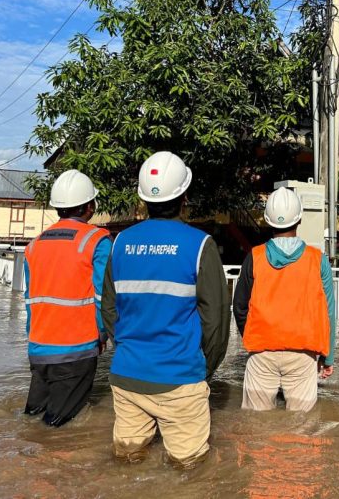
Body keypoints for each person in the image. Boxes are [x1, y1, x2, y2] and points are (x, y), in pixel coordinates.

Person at [101, 151, 230, 468]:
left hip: (126, 377)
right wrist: (202, 369)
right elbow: (216, 323)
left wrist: (131, 348)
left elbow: (108, 309)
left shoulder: (120, 242)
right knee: (190, 472)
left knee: (128, 464)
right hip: (180, 379)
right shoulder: (200, 245)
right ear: (184, 196)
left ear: (143, 200)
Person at [233, 186, 336, 412]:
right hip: (303, 355)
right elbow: (329, 311)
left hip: (261, 354)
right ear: (299, 220)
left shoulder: (254, 256)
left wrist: (253, 336)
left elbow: (239, 306)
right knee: (302, 430)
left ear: (268, 221)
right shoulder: (318, 260)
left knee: (256, 429)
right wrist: (328, 357)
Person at [23, 169, 112, 427]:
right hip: (76, 348)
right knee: (58, 427)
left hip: (38, 348)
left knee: (33, 417)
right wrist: (103, 334)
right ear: (88, 206)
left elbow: (30, 299)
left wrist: (34, 338)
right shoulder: (97, 240)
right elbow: (103, 295)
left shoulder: (34, 244)